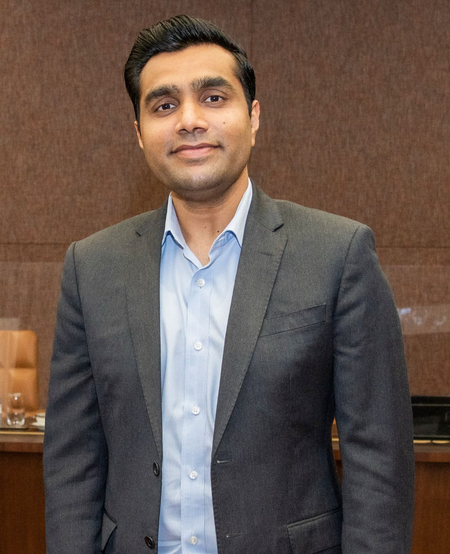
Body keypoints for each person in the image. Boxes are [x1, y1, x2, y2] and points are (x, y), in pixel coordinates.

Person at [44, 14, 414, 554]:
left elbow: (378, 461)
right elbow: (72, 461)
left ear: (254, 116)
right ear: (139, 133)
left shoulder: (338, 255)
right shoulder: (91, 267)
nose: (189, 121)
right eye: (163, 106)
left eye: (213, 98)